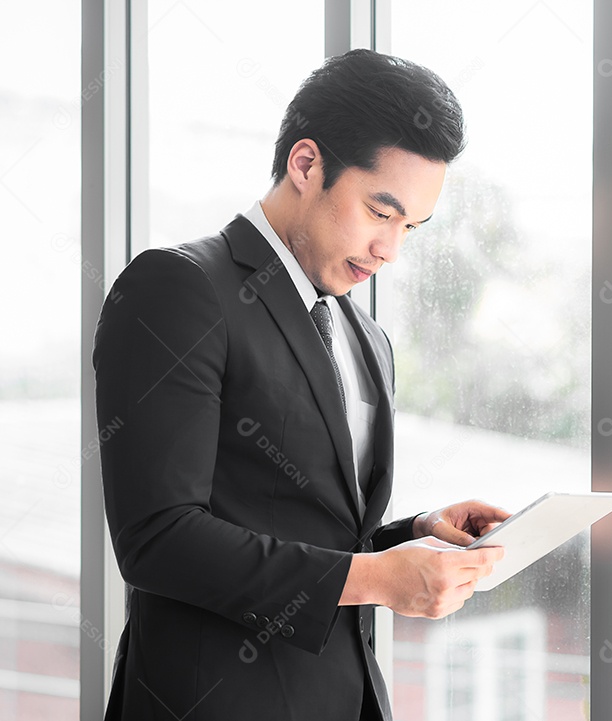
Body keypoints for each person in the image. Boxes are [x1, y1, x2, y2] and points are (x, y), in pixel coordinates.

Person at [93, 48, 509, 721]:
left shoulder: (365, 335)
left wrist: (417, 535)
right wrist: (377, 578)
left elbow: (310, 530)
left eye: (410, 228)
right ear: (306, 163)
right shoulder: (178, 288)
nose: (390, 250)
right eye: (381, 212)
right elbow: (158, 539)